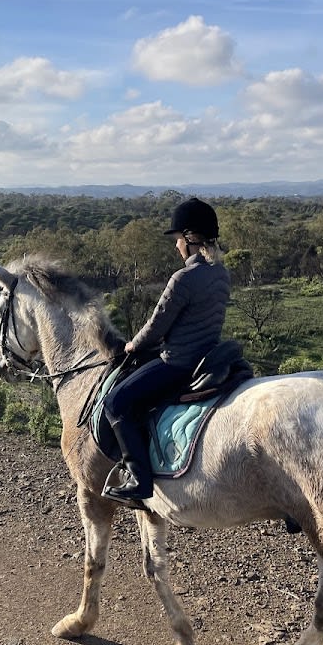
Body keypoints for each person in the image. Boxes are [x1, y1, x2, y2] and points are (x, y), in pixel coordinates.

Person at [102, 197, 230, 509]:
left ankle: (139, 479)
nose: (176, 247)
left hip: (178, 362)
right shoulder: (221, 273)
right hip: (209, 358)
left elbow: (156, 327)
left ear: (189, 239)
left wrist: (132, 345)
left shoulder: (183, 279)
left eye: (177, 240)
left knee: (116, 402)